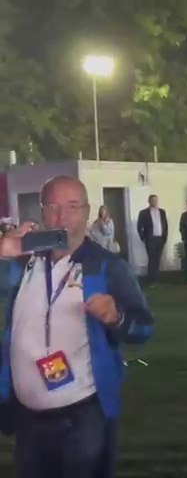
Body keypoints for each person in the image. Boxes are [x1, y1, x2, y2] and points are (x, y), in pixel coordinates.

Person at [0, 176, 154, 477]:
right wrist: (3, 250)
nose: (62, 217)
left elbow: (144, 328)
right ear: (42, 212)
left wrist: (117, 317)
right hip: (28, 418)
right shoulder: (21, 262)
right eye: (53, 207)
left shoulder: (107, 266)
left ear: (87, 211)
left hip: (83, 417)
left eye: (72, 207)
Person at [136, 194, 168, 284]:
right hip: (150, 239)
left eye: (156, 200)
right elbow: (139, 226)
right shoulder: (144, 213)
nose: (155, 202)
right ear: (149, 201)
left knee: (158, 258)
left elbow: (165, 225)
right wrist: (143, 237)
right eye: (153, 200)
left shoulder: (162, 212)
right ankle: (152, 279)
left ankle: (157, 277)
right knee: (152, 258)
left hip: (160, 238)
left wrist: (165, 237)